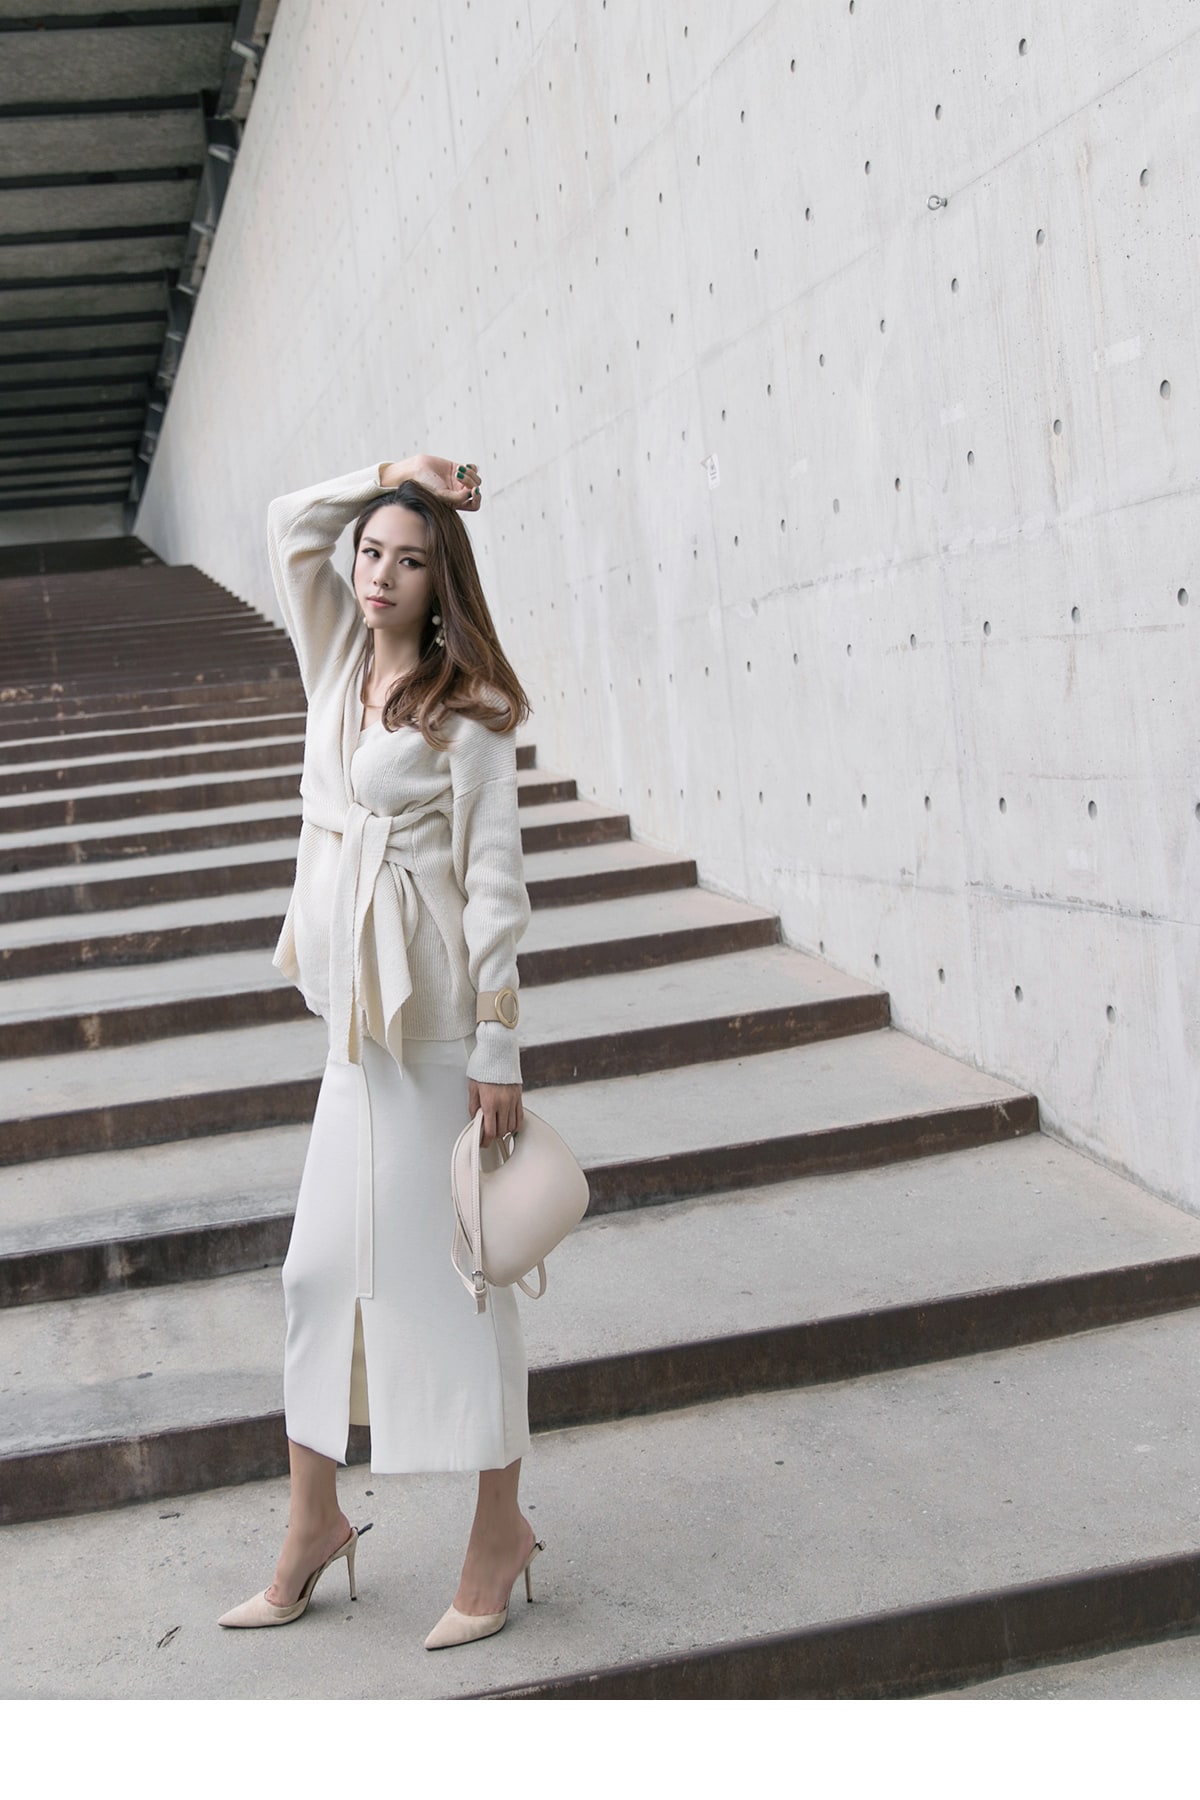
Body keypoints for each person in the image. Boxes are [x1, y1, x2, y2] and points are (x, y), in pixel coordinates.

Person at [217, 454, 544, 1649]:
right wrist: (395, 474)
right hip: (355, 1028)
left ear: (439, 580)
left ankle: (499, 1530)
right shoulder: (337, 660)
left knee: (461, 1283)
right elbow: (285, 522)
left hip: (438, 1027)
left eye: (408, 559)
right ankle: (313, 1524)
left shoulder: (471, 709)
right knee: (315, 1275)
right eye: (371, 552)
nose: (380, 575)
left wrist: (499, 1045)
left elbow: (495, 884)